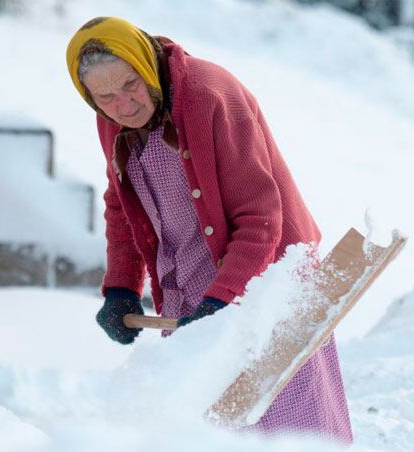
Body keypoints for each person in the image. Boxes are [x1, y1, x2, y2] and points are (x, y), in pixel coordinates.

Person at [65, 16, 352, 443]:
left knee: (283, 417)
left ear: (145, 66)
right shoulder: (112, 119)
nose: (122, 105)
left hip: (264, 276)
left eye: (130, 85)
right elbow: (121, 204)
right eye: (105, 97)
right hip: (187, 286)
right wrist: (121, 287)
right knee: (202, 422)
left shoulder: (209, 96)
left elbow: (261, 218)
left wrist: (222, 302)